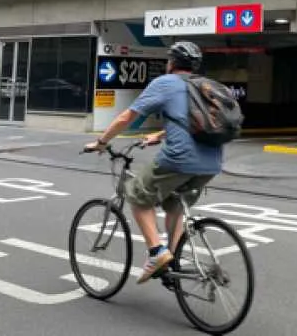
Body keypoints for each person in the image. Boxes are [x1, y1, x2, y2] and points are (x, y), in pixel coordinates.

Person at [84, 40, 223, 284]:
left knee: (136, 194)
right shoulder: (205, 86)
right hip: (212, 162)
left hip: (180, 159)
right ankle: (172, 261)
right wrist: (159, 135)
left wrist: (102, 142)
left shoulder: (165, 83)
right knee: (175, 206)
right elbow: (198, 124)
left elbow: (127, 117)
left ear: (171, 63)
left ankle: (157, 253)